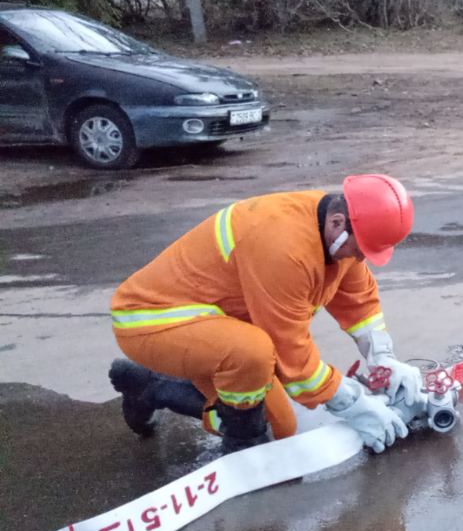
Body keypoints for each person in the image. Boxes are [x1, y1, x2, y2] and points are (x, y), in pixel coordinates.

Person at [107, 174, 424, 453]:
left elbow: (359, 302)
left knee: (282, 420)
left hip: (214, 322)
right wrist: (355, 405)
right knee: (254, 366)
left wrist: (383, 358)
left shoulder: (337, 230)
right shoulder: (284, 246)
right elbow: (293, 358)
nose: (360, 259)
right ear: (338, 223)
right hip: (151, 319)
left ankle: (150, 385)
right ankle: (241, 441)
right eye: (359, 249)